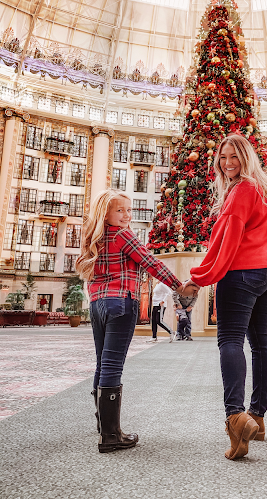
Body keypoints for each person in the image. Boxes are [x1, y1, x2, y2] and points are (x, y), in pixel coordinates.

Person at [184, 134, 267, 460]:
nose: (227, 162)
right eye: (223, 157)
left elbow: (226, 240)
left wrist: (200, 278)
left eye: (234, 156)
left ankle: (236, 416)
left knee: (230, 341)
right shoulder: (262, 189)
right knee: (261, 343)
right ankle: (257, 418)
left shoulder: (240, 192)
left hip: (242, 274)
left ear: (245, 158)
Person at [76, 189, 197, 453]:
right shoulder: (123, 235)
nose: (127, 215)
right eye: (121, 210)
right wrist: (180, 287)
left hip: (98, 305)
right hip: (121, 303)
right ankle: (111, 436)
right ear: (105, 213)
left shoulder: (93, 239)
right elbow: (151, 263)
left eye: (129, 210)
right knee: (112, 364)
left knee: (102, 362)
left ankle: (104, 428)